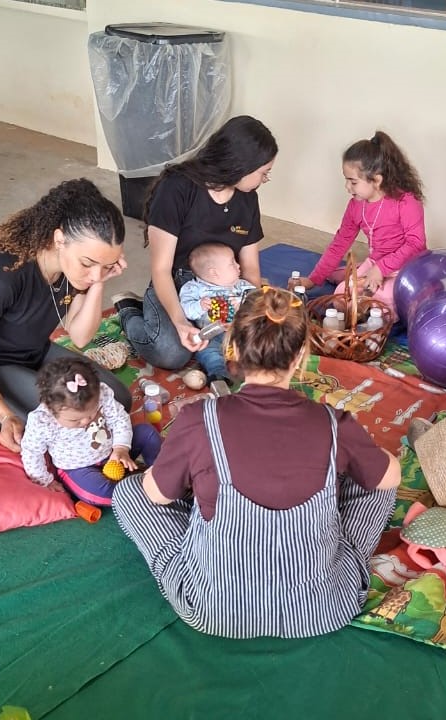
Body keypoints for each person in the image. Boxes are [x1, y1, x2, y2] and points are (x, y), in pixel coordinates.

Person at [112, 287, 401, 638]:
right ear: (301, 355)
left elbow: (156, 496)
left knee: (130, 492)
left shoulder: (199, 419)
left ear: (232, 348)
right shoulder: (333, 423)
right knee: (378, 482)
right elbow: (390, 477)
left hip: (213, 610)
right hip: (323, 609)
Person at [0, 178, 131, 452]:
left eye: (106, 265)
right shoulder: (0, 279)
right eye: (88, 263)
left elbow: (80, 336)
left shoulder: (75, 269)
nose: (94, 273)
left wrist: (99, 282)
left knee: (115, 401)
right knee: (57, 428)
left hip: (32, 351)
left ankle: (4, 404)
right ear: (59, 240)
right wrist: (4, 415)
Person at [112, 115, 277, 370]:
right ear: (241, 165)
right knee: (171, 353)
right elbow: (161, 270)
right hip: (178, 284)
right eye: (263, 173)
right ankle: (130, 311)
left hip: (227, 288)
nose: (264, 180)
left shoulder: (247, 199)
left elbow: (251, 269)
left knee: (263, 341)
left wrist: (249, 314)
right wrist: (180, 322)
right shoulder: (176, 188)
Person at [301, 131, 426, 321]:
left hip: (407, 268)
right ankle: (348, 275)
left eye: (353, 182)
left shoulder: (406, 201)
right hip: (376, 264)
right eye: (346, 180)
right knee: (341, 298)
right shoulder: (356, 205)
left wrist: (381, 268)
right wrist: (313, 279)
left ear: (377, 180)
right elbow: (339, 244)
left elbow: (416, 244)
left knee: (384, 304)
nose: (347, 187)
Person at [20, 357, 161, 507]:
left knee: (147, 432)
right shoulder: (42, 421)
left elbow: (119, 419)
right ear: (51, 410)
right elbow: (31, 452)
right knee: (98, 492)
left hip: (114, 453)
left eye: (93, 412)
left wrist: (121, 448)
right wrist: (46, 481)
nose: (86, 421)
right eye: (75, 420)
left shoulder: (101, 393)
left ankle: (160, 472)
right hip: (78, 469)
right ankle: (139, 495)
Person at [178, 242, 255, 385]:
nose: (239, 266)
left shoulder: (241, 285)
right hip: (211, 334)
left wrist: (243, 304)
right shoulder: (194, 289)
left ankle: (256, 370)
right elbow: (185, 311)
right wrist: (199, 306)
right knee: (206, 351)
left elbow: (257, 299)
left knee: (256, 343)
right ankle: (219, 374)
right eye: (232, 263)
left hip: (240, 332)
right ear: (214, 272)